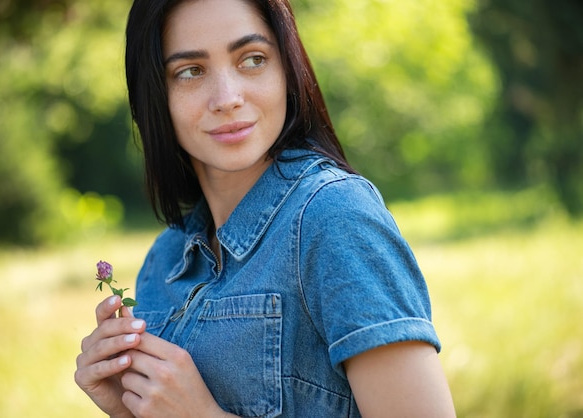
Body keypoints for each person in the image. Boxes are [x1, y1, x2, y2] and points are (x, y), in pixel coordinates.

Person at [74, 0, 457, 416]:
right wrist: (127, 409)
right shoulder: (164, 260)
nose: (227, 98)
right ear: (154, 95)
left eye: (252, 59)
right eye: (190, 71)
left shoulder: (334, 218)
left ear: (287, 70)